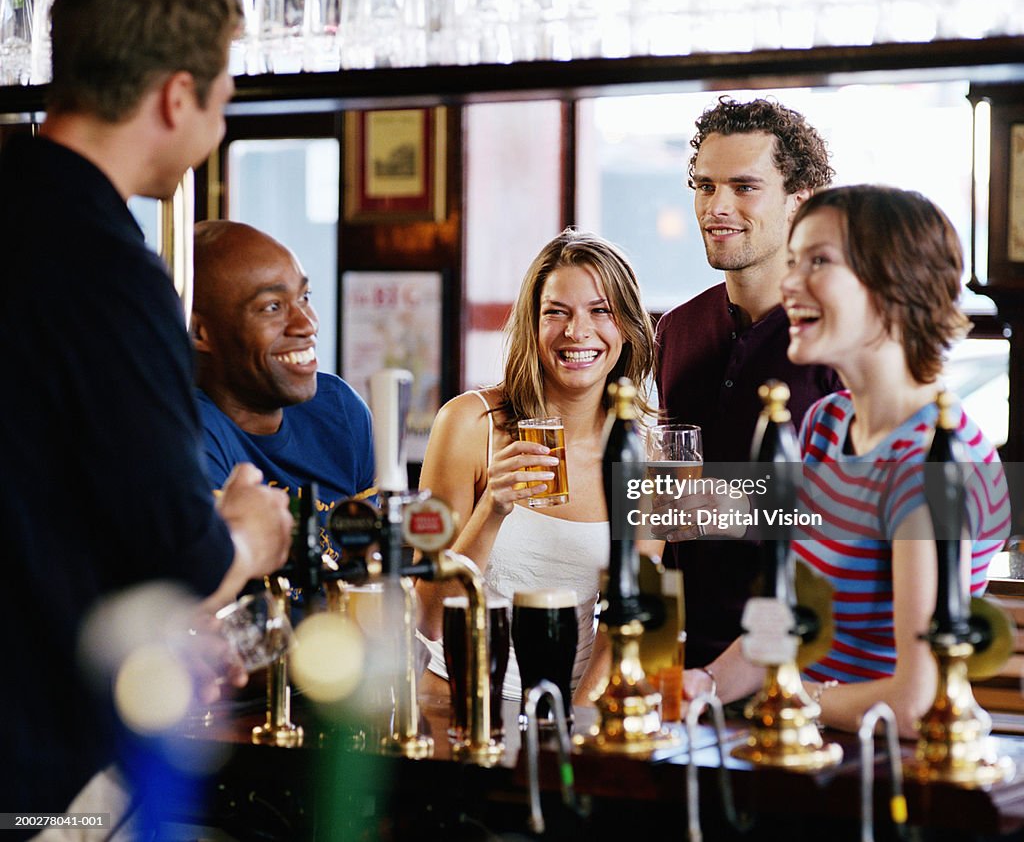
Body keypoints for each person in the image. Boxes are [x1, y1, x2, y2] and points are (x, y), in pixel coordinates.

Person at [0, 0, 293, 824]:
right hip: (37, 764)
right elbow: (174, 552)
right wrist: (247, 535)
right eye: (222, 102)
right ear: (175, 97)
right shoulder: (113, 274)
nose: (220, 126)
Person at [685, 185, 1011, 736]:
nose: (790, 283)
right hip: (803, 747)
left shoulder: (934, 466)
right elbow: (791, 615)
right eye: (793, 262)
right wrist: (709, 684)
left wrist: (788, 697)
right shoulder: (826, 424)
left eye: (818, 262)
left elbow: (916, 702)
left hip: (876, 776)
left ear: (893, 286)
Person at [416, 228, 657, 704]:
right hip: (454, 697)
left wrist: (575, 723)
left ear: (627, 327)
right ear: (533, 324)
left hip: (572, 705)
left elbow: (625, 622)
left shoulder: (645, 454)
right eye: (557, 313)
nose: (576, 331)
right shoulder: (470, 424)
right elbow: (425, 615)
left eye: (600, 311)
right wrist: (493, 508)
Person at [655, 96, 840, 669]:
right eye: (705, 186)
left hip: (803, 663)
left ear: (798, 202)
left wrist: (740, 507)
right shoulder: (676, 328)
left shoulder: (838, 333)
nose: (717, 207)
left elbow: (881, 508)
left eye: (744, 186)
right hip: (683, 663)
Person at [191, 219, 375, 550]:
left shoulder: (338, 408)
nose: (307, 323)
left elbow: (373, 565)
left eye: (304, 297)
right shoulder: (187, 432)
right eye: (273, 307)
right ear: (199, 333)